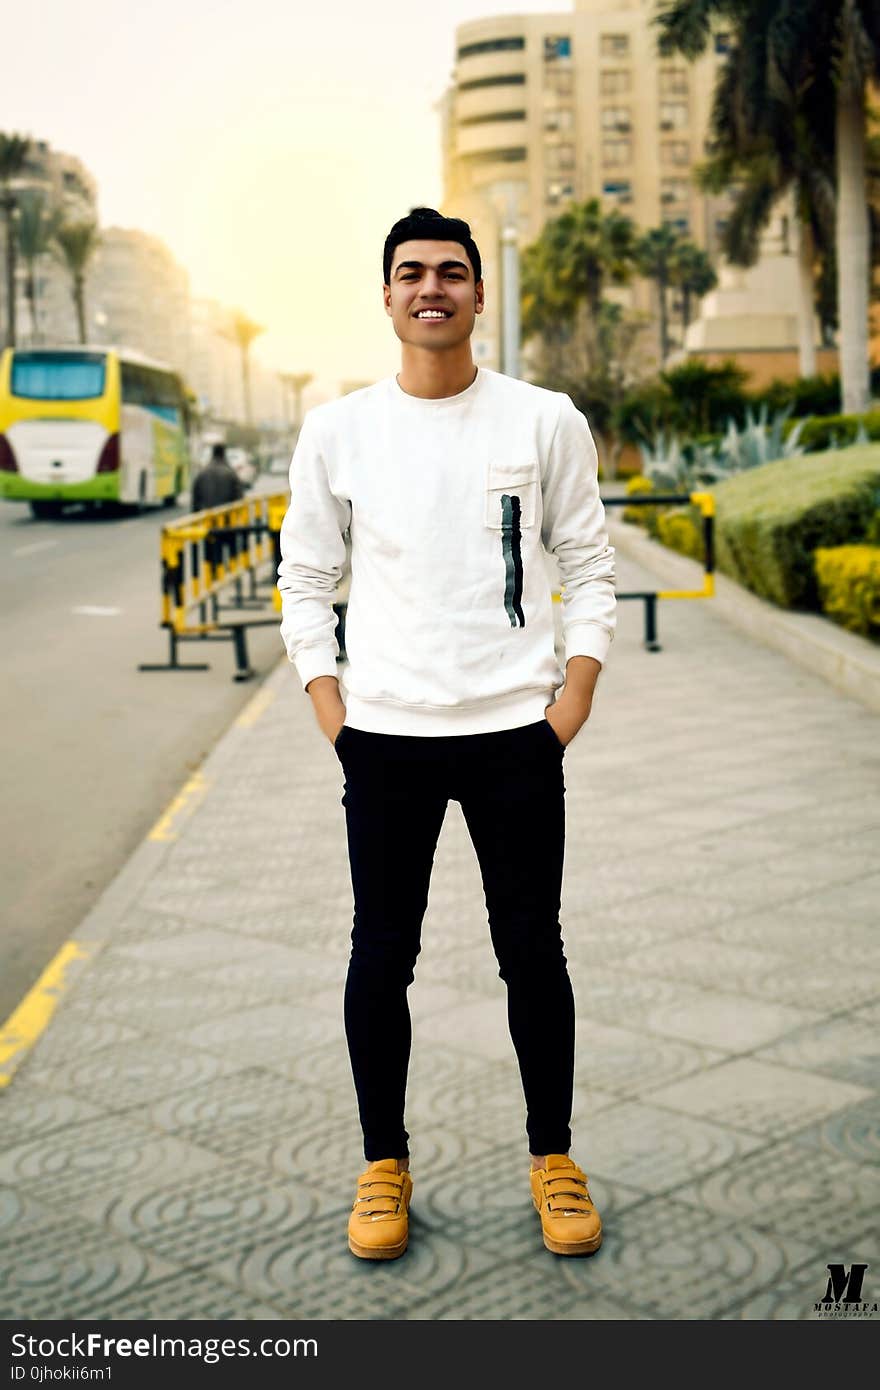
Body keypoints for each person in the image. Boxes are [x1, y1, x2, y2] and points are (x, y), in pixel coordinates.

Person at [277, 207, 616, 1262]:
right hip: (382, 739)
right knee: (381, 955)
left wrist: (571, 700)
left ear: (479, 294)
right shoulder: (338, 430)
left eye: (452, 272)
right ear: (385, 297)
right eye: (412, 272)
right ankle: (383, 1164)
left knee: (533, 953)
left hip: (518, 732)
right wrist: (335, 713)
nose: (433, 287)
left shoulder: (541, 418)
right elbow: (305, 582)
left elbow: (589, 562)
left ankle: (553, 1158)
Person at [191, 441, 244, 510]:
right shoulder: (231, 474)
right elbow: (239, 498)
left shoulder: (202, 473)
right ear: (224, 453)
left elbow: (195, 500)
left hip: (206, 516)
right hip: (226, 515)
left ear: (213, 453)